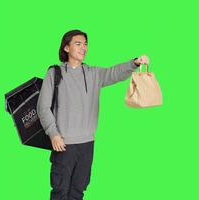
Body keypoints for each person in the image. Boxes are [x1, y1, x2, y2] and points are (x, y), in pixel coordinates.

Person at [37, 29, 149, 200]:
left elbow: (114, 72)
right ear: (66, 48)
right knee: (60, 192)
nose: (84, 47)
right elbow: (43, 108)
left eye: (86, 44)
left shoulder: (93, 74)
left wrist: (134, 62)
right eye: (78, 43)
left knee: (78, 192)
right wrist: (53, 134)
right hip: (63, 144)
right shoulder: (54, 73)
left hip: (87, 144)